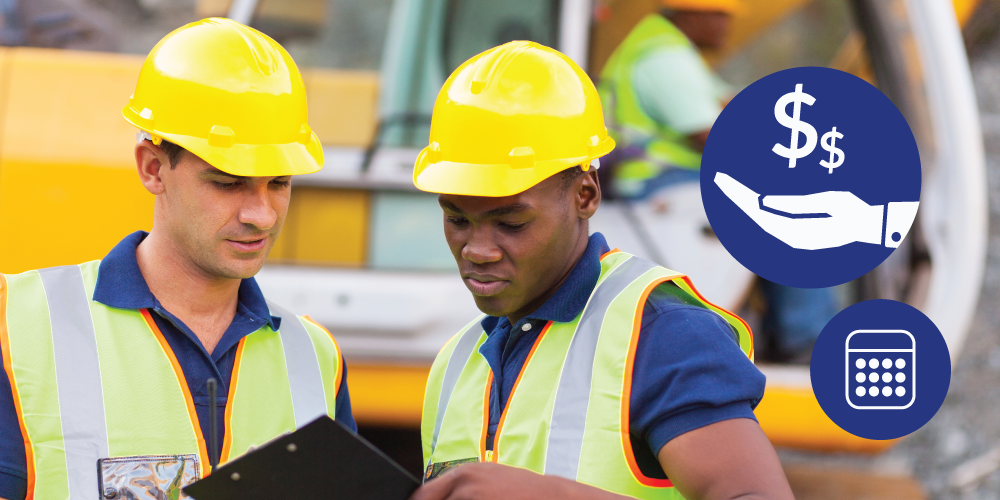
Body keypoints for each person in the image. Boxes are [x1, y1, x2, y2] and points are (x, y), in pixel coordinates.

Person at [410, 41, 793, 500]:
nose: (477, 249)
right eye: (456, 219)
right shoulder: (456, 363)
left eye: (510, 223)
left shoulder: (663, 334)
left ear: (586, 195)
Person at [0, 18, 353, 499]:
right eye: (228, 183)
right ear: (152, 168)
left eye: (279, 183)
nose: (262, 215)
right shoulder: (16, 326)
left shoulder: (315, 357)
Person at [600, 0, 839, 362]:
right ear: (691, 13)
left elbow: (731, 105)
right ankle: (805, 338)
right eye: (721, 16)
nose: (727, 26)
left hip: (666, 179)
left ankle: (785, 331)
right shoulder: (663, 58)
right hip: (656, 182)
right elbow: (716, 136)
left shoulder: (668, 49)